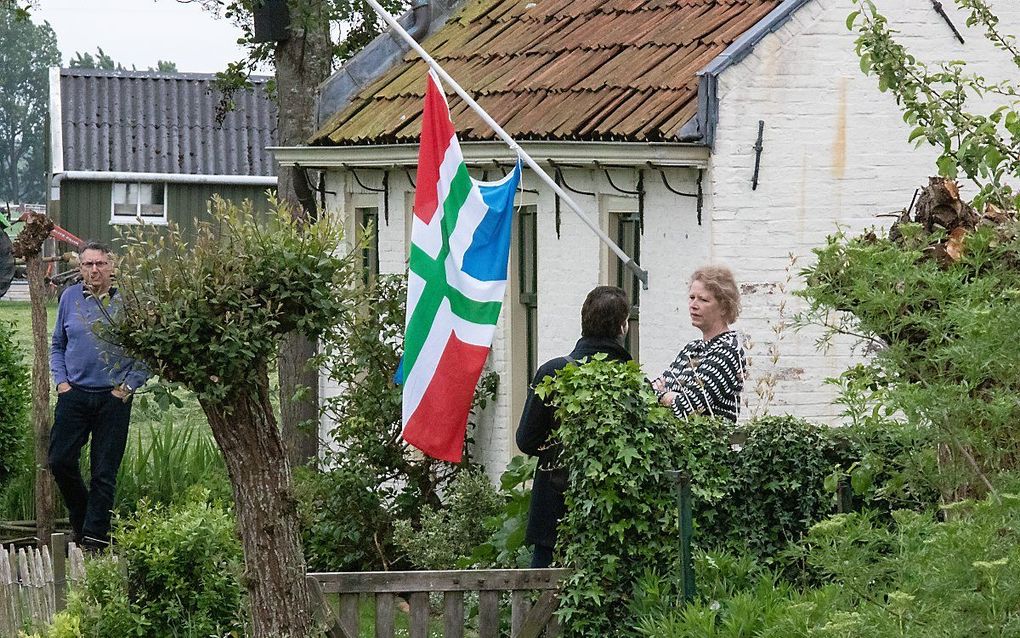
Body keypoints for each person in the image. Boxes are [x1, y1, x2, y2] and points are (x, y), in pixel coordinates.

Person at [516, 285, 632, 568]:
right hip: (610, 512)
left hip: (553, 504)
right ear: (621, 327)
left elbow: (526, 440)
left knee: (541, 598)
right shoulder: (630, 381)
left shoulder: (553, 372)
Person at [49, 241, 149, 551]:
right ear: (80, 269)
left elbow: (145, 350)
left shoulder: (128, 302)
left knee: (104, 473)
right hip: (74, 395)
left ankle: (93, 542)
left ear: (112, 267)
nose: (94, 270)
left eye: (100, 264)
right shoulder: (69, 298)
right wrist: (61, 383)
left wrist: (129, 385)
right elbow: (58, 345)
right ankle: (82, 518)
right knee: (60, 460)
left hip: (113, 398)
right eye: (88, 264)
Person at [652, 265, 746, 422]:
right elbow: (649, 391)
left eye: (703, 300)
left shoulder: (728, 351)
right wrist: (668, 396)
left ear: (724, 307)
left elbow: (687, 407)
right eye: (691, 297)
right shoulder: (692, 348)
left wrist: (664, 396)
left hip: (710, 443)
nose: (693, 305)